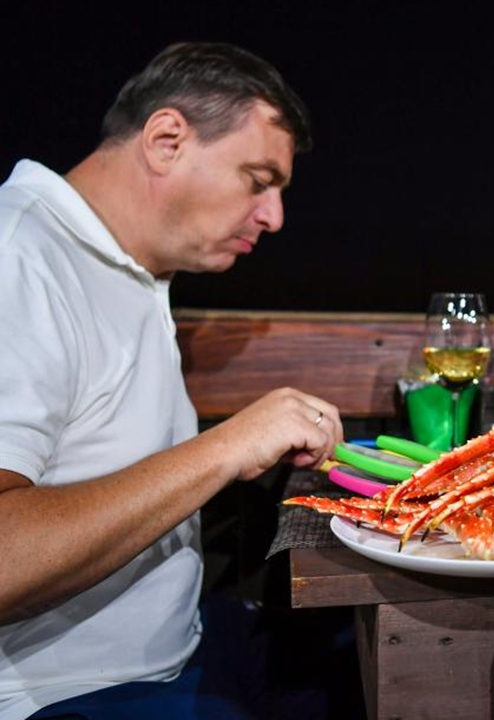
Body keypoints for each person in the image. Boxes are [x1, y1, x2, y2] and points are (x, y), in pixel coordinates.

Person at [0, 43, 344, 719]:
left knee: (367, 659)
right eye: (257, 179)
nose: (274, 217)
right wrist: (228, 447)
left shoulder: (131, 267)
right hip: (68, 693)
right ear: (166, 140)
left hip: (181, 641)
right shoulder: (20, 257)